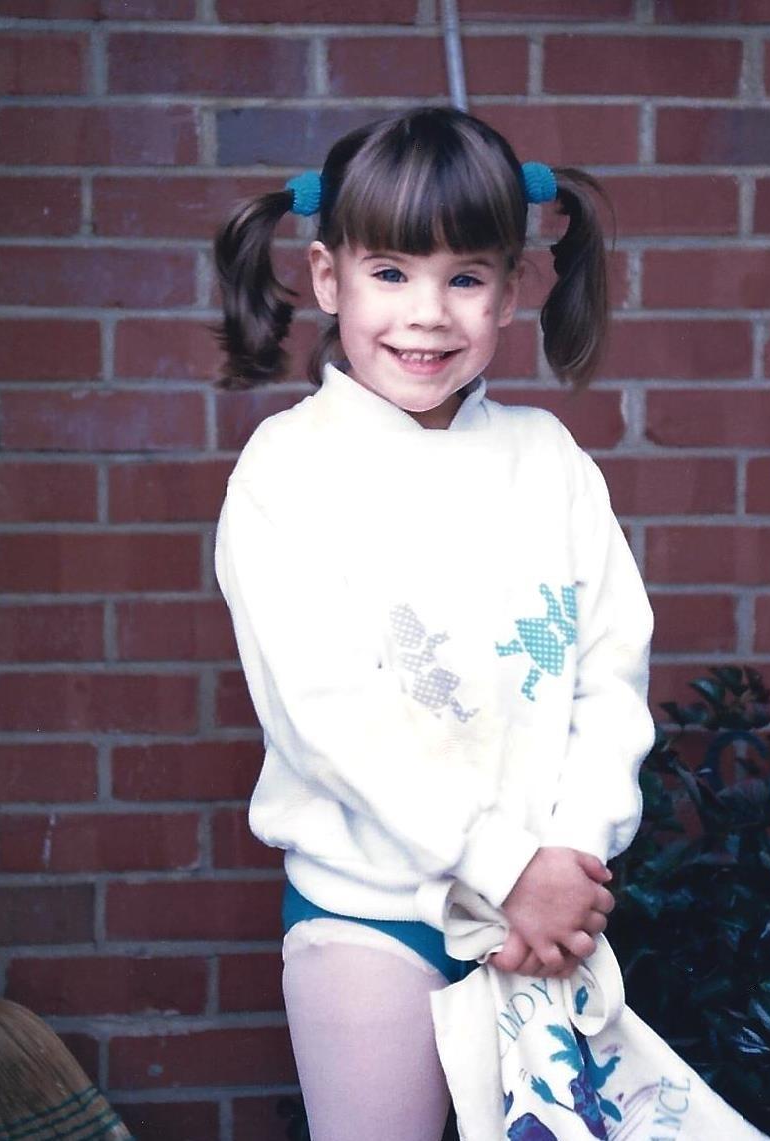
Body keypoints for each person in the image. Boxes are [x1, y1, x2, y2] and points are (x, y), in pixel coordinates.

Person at [212, 106, 654, 1141]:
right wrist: (505, 865)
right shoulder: (290, 470)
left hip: (545, 910)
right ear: (328, 278)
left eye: (465, 277)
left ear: (511, 289)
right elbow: (332, 719)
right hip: (371, 916)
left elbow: (609, 670)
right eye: (391, 272)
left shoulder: (549, 460)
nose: (427, 314)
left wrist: (571, 856)